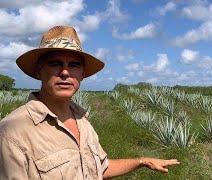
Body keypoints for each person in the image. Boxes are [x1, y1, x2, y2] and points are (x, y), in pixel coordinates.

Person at [0, 26, 180, 179]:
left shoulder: (82, 119)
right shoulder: (12, 132)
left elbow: (101, 168)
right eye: (55, 63)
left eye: (74, 65)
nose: (65, 72)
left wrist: (142, 161)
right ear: (39, 71)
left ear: (82, 75)